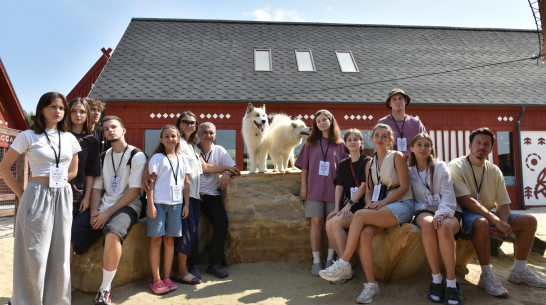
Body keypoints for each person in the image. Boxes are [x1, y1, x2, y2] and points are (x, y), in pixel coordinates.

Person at [319, 123, 414, 304]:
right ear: (372, 138)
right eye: (376, 135)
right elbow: (369, 189)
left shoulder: (397, 156)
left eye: (384, 136)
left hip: (402, 204)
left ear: (390, 140)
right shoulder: (370, 163)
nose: (380, 139)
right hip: (380, 207)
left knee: (360, 215)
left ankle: (344, 263)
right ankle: (371, 285)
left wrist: (382, 203)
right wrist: (370, 204)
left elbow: (404, 186)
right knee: (364, 233)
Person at [0, 92, 80, 305]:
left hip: (62, 196)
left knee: (61, 255)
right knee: (34, 254)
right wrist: (22, 194)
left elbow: (73, 171)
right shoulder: (28, 136)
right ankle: (26, 301)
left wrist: (61, 183)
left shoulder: (70, 138)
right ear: (42, 109)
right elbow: (4, 167)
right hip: (36, 196)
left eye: (62, 108)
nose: (58, 111)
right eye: (53, 107)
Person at [448, 127, 546, 298]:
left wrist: (504, 223)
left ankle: (519, 270)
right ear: (470, 145)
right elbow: (465, 200)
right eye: (478, 143)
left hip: (487, 212)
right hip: (464, 214)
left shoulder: (494, 170)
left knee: (529, 221)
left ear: (491, 148)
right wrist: (496, 220)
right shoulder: (456, 166)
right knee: (481, 222)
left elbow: (503, 203)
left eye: (486, 144)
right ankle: (486, 275)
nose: (482, 147)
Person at [143, 111, 238, 284]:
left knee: (187, 233)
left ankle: (180, 270)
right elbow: (156, 157)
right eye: (185, 122)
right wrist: (145, 174)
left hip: (192, 195)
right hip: (178, 197)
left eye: (193, 123)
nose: (189, 125)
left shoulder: (192, 147)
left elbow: (206, 168)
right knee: (186, 234)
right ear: (179, 124)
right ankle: (181, 271)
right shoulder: (176, 143)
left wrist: (227, 170)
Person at [71, 115, 146, 305]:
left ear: (123, 130)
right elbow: (97, 188)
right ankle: (63, 285)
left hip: (128, 205)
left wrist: (106, 214)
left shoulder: (136, 155)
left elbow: (134, 191)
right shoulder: (103, 157)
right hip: (102, 205)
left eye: (113, 127)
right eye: (105, 129)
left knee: (112, 233)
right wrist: (95, 212)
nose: (109, 130)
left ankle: (105, 290)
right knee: (71, 235)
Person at [408, 133, 463, 304]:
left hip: (448, 209)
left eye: (427, 145)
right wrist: (429, 208)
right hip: (423, 210)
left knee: (444, 226)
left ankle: (452, 283)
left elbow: (448, 195)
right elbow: (412, 201)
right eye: (419, 144)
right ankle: (436, 278)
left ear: (431, 148)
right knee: (428, 224)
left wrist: (440, 213)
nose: (423, 148)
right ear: (412, 148)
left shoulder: (440, 167)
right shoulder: (409, 172)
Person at [294, 109, 348, 276]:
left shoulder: (340, 144)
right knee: (316, 223)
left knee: (331, 225)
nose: (322, 123)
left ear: (331, 121)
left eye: (324, 119)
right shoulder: (310, 142)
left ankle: (330, 259)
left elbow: (346, 170)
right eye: (318, 121)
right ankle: (316, 260)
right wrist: (303, 187)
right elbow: (304, 168)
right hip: (314, 189)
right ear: (316, 125)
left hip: (334, 191)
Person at [190, 122, 238, 278]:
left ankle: (214, 264)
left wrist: (228, 174)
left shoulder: (220, 150)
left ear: (215, 135)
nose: (208, 136)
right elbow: (205, 168)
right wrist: (225, 168)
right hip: (194, 195)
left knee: (222, 222)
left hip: (212, 195)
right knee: (191, 228)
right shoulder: (192, 150)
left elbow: (235, 167)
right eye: (204, 132)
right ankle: (193, 265)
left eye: (211, 133)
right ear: (198, 134)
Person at [146, 125, 190, 294]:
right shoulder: (157, 158)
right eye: (167, 136)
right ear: (161, 140)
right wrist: (150, 205)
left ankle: (166, 277)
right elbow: (151, 183)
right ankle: (156, 279)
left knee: (170, 241)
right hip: (158, 204)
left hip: (176, 205)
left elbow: (186, 183)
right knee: (156, 240)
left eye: (174, 136)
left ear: (178, 139)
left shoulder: (182, 159)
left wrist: (186, 204)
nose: (171, 139)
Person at [325, 128, 371, 281]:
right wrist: (337, 208)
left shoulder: (367, 161)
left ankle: (343, 266)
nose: (352, 142)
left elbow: (364, 185)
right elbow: (339, 187)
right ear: (345, 143)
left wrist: (348, 205)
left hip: (362, 206)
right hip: (347, 205)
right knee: (329, 222)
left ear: (361, 143)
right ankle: (345, 267)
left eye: (355, 139)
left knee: (336, 223)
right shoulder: (343, 164)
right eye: (349, 140)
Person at [68, 98, 102, 265]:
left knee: (70, 241)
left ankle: (65, 287)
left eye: (82, 111)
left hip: (78, 196)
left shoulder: (91, 140)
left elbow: (91, 173)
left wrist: (87, 198)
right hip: (57, 194)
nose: (78, 115)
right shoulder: (60, 136)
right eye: (74, 111)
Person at [377, 89, 426, 156]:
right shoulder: (383, 123)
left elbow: (427, 144)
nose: (398, 102)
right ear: (390, 103)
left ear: (405, 101)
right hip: (391, 163)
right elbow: (378, 148)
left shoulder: (416, 123)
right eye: (394, 99)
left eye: (400, 98)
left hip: (414, 163)